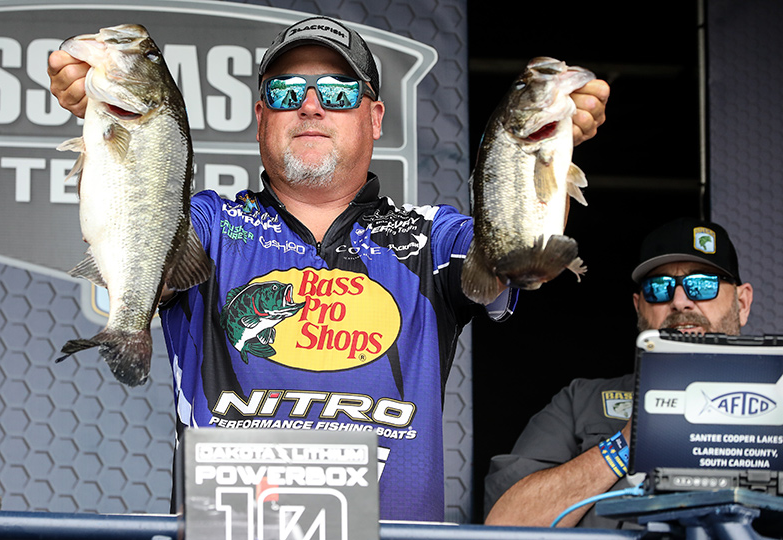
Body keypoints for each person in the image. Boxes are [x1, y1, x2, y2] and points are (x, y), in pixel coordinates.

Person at [49, 16, 609, 522]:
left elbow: (516, 259)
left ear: (375, 118)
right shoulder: (210, 225)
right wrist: (117, 123)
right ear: (261, 116)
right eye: (287, 91)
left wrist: (538, 149)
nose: (311, 106)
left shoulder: (432, 237)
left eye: (339, 92)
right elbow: (140, 237)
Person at [483, 217, 754, 528]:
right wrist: (628, 440)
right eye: (659, 288)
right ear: (639, 308)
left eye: (702, 285)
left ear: (742, 303)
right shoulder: (579, 401)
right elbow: (505, 525)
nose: (680, 302)